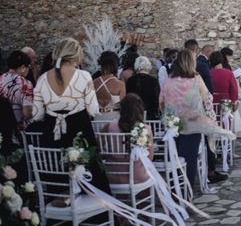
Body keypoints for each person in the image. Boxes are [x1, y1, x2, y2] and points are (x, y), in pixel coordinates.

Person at [32, 38, 113, 196]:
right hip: (79, 131)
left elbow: (37, 115)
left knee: (56, 169)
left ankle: (60, 205)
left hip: (52, 133)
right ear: (76, 56)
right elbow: (93, 110)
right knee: (90, 172)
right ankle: (97, 214)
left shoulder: (42, 79)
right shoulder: (84, 76)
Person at [159, 49, 234, 187]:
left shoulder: (169, 81)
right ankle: (187, 190)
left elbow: (162, 103)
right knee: (189, 159)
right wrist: (210, 118)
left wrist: (171, 115)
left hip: (173, 126)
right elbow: (207, 99)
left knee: (174, 158)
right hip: (192, 125)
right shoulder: (196, 79)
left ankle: (175, 188)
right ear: (191, 63)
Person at [102, 94, 154, 185]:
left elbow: (99, 150)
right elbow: (150, 157)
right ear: (140, 110)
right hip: (137, 175)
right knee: (150, 174)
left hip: (113, 175)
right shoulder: (146, 129)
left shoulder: (109, 126)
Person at [0, 50, 34, 130]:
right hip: (17, 130)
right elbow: (27, 113)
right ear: (23, 67)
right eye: (28, 67)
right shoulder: (25, 83)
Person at [93, 51, 126, 119]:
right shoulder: (120, 84)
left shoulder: (94, 83)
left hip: (97, 119)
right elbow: (124, 106)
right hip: (114, 120)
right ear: (115, 65)